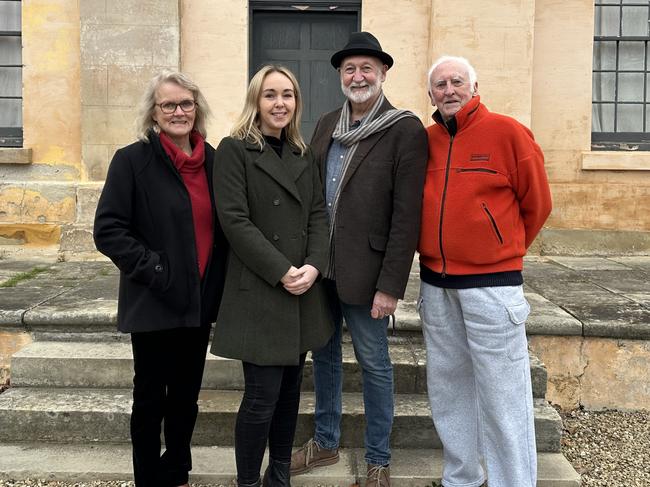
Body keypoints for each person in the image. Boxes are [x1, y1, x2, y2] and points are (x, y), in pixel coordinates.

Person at [290, 32, 428, 487]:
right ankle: (326, 442)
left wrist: (391, 286)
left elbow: (407, 217)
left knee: (375, 366)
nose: (358, 75)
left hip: (369, 276)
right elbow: (312, 198)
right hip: (321, 270)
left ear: (383, 73)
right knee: (324, 359)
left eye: (367, 67)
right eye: (350, 69)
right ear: (340, 76)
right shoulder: (328, 122)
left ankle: (378, 460)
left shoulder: (403, 128)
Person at [417, 55, 553, 487]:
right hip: (436, 286)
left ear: (475, 87)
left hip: (492, 289)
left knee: (504, 397)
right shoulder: (426, 140)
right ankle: (463, 478)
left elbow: (537, 205)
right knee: (449, 391)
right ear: (430, 94)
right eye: (440, 84)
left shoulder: (508, 133)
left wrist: (501, 249)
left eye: (458, 81)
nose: (449, 90)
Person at [93, 70, 228, 487]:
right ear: (153, 114)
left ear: (197, 108)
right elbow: (109, 230)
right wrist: (156, 268)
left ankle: (178, 470)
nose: (178, 112)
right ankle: (148, 477)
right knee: (151, 398)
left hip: (197, 302)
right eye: (168, 105)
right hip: (154, 300)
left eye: (186, 103)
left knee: (186, 397)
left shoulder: (215, 161)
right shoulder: (132, 161)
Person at [210, 65, 333, 487]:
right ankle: (247, 481)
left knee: (289, 396)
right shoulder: (234, 149)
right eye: (270, 95)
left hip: (302, 289)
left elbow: (319, 215)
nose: (279, 103)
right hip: (260, 290)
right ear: (255, 102)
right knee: (262, 397)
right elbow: (234, 221)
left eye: (287, 95)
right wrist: (282, 271)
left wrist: (314, 266)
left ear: (296, 103)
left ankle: (278, 474)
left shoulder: (304, 153)